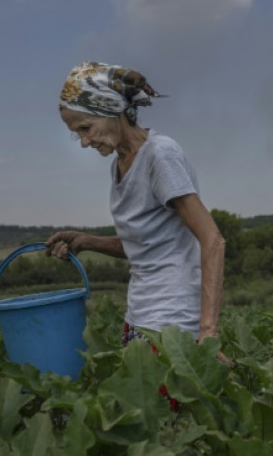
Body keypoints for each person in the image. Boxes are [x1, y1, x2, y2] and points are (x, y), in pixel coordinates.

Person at [44, 62, 229, 365]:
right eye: (76, 134)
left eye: (85, 128)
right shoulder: (119, 164)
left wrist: (208, 331)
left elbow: (212, 240)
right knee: (144, 406)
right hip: (141, 310)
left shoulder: (160, 155)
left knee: (164, 407)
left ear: (110, 109)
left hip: (172, 314)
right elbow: (146, 245)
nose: (84, 142)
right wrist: (86, 241)